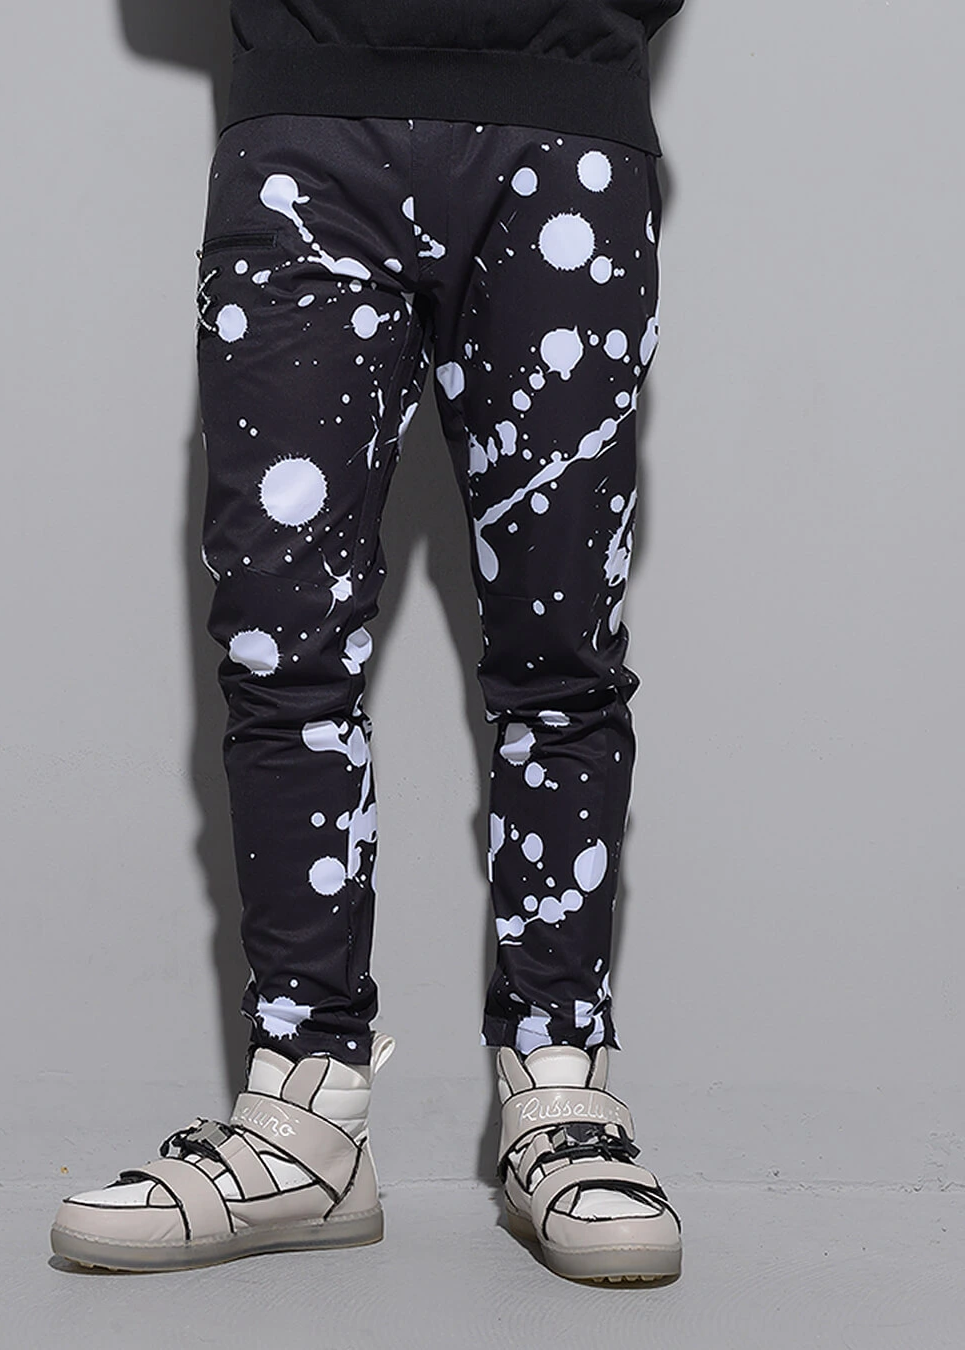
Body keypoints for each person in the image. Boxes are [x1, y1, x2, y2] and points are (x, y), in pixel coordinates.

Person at [50, 0, 686, 1283]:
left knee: (562, 656)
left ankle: (561, 1093)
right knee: (280, 651)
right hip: (307, 126)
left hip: (562, 126)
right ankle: (306, 1118)